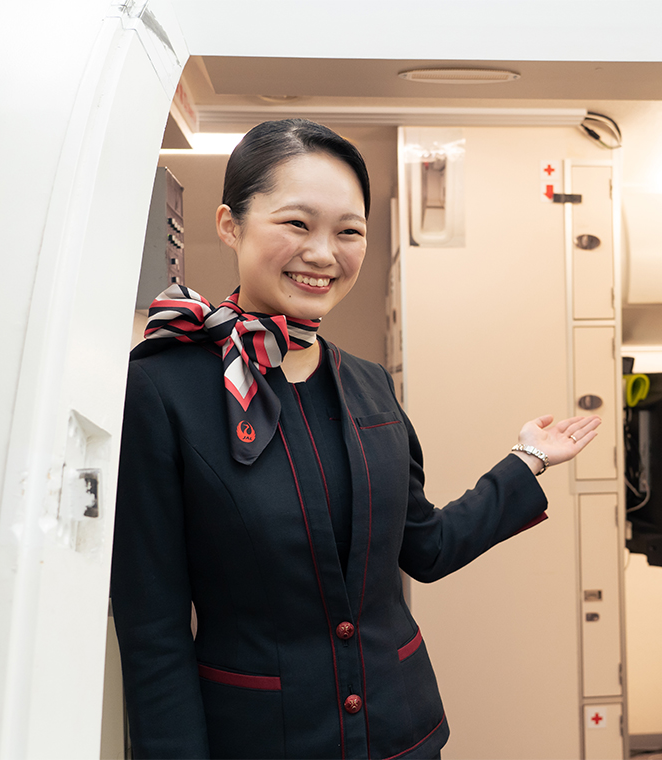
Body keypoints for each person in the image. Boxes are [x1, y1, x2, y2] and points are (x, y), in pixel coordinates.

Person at [111, 118, 601, 760]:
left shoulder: (370, 385)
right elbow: (153, 628)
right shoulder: (162, 389)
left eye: (348, 231)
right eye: (297, 223)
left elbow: (426, 546)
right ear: (230, 225)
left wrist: (527, 459)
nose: (324, 254)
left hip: (404, 734)